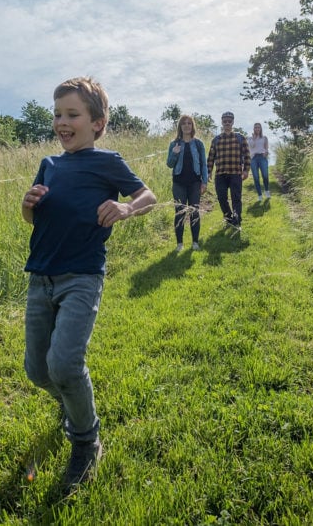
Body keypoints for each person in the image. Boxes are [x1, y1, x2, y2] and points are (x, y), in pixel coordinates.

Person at [21, 76, 157, 492]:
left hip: (81, 275)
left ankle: (86, 440)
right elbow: (35, 219)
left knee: (64, 364)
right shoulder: (50, 164)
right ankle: (71, 406)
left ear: (97, 123)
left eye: (72, 114)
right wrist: (27, 207)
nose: (62, 122)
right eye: (58, 114)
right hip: (40, 276)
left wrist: (125, 207)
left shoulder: (107, 161)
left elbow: (148, 196)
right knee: (37, 370)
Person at [166, 114, 209, 252]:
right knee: (179, 212)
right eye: (184, 123)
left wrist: (204, 182)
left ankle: (195, 242)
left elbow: (203, 164)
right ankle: (179, 244)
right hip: (179, 183)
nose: (186, 125)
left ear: (192, 126)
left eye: (189, 123)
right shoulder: (174, 144)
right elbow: (169, 164)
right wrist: (174, 153)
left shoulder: (198, 143)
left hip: (195, 183)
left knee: (194, 212)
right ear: (180, 126)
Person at [206, 110, 250, 229]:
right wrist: (209, 171)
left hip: (236, 173)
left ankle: (237, 220)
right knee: (221, 198)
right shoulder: (216, 140)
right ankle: (229, 217)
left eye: (229, 121)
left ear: (233, 122)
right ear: (222, 122)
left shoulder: (240, 138)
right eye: (225, 121)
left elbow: (247, 155)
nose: (227, 123)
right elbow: (211, 157)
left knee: (236, 198)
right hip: (220, 174)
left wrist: (246, 170)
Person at [249, 122, 271, 201]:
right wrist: (254, 139)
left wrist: (266, 153)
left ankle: (267, 191)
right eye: (256, 127)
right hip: (253, 158)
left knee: (265, 175)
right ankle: (259, 195)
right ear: (253, 129)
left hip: (262, 157)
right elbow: (252, 146)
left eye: (258, 127)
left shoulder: (264, 138)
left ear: (261, 128)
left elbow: (266, 148)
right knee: (256, 177)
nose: (257, 129)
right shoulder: (250, 139)